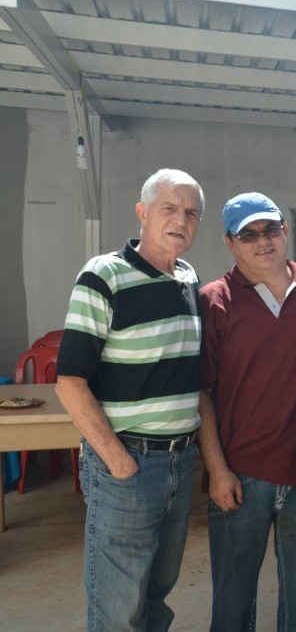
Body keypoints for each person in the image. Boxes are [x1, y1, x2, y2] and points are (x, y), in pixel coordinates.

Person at [55, 168, 205, 631]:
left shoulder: (188, 278)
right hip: (129, 464)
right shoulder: (104, 275)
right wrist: (119, 463)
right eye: (169, 208)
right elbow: (70, 382)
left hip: (181, 463)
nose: (181, 220)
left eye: (191, 213)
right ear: (142, 213)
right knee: (118, 609)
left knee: (156, 599)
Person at [197, 192, 296, 631]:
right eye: (249, 234)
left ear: (286, 231)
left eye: (271, 229)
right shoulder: (214, 301)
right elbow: (201, 394)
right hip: (240, 477)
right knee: (233, 603)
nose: (263, 242)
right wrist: (218, 471)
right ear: (229, 243)